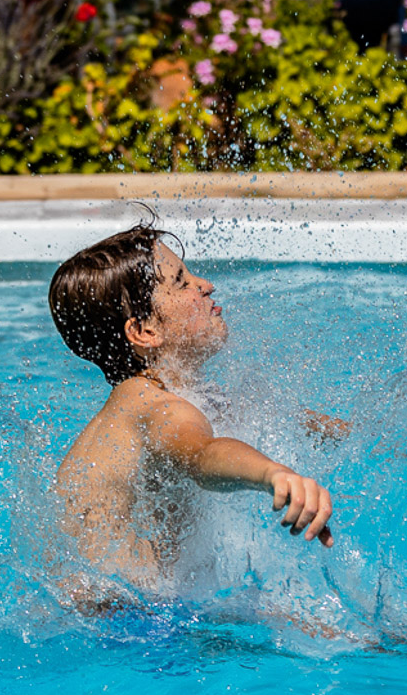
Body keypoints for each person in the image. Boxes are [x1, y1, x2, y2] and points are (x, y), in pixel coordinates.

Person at [48, 225, 343, 595]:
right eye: (181, 282)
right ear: (145, 331)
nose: (205, 284)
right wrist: (275, 473)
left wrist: (376, 437)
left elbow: (269, 416)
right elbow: (201, 455)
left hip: (138, 610)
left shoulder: (178, 394)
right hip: (119, 621)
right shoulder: (151, 406)